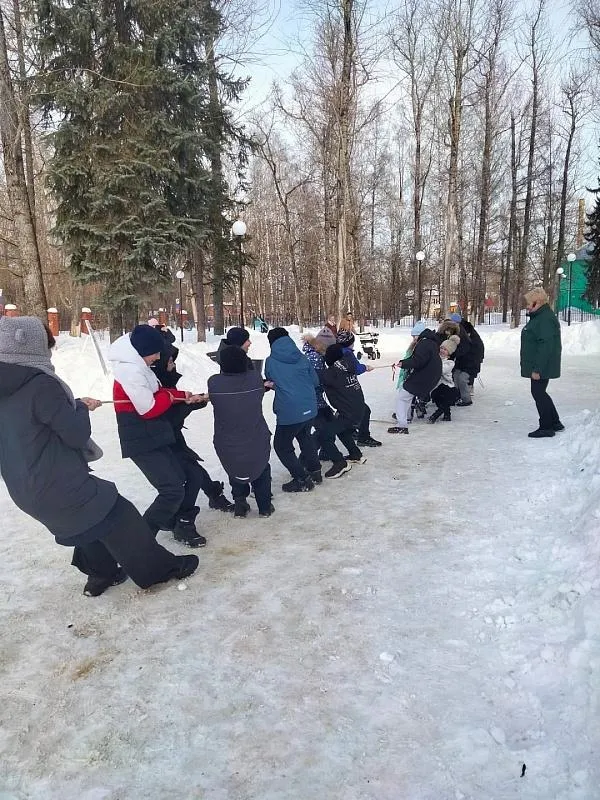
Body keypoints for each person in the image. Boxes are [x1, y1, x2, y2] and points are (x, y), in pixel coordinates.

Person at [0, 316, 198, 597]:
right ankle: (159, 570)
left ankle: (101, 575)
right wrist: (79, 410)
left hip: (24, 486)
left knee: (87, 520)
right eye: (47, 346)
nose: (49, 352)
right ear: (30, 346)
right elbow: (76, 434)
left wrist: (72, 406)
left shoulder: (7, 385)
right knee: (119, 513)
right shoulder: (40, 384)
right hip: (56, 483)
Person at [109, 324, 208, 547]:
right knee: (171, 489)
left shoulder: (139, 366)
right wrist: (175, 399)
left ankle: (175, 522)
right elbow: (149, 408)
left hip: (156, 435)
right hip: (142, 439)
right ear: (144, 350)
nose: (158, 357)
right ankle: (139, 544)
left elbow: (158, 392)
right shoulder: (131, 371)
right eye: (156, 352)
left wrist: (182, 396)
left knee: (189, 476)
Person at [151, 344, 234, 513]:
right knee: (190, 473)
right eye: (170, 362)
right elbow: (168, 417)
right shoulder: (155, 386)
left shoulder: (166, 381)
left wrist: (197, 401)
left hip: (173, 437)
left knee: (192, 465)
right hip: (161, 440)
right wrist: (190, 405)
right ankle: (179, 519)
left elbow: (177, 404)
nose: (173, 365)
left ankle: (214, 495)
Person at [208, 346, 274, 517]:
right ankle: (265, 507)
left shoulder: (214, 383)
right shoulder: (254, 379)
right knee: (261, 469)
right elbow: (255, 381)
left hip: (226, 441)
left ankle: (240, 504)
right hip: (256, 438)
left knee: (235, 467)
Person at [264, 327, 321, 492]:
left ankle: (302, 479)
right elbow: (315, 381)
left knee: (282, 446)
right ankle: (315, 471)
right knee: (305, 437)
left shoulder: (271, 361)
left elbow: (271, 380)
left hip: (290, 410)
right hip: (310, 407)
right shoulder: (302, 358)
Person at [320, 343, 371, 476]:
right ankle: (355, 454)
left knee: (324, 435)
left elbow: (316, 380)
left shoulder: (330, 373)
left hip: (348, 412)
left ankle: (339, 463)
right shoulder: (349, 365)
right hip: (359, 408)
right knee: (343, 430)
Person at [520, 287, 563, 438]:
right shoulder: (541, 317)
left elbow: (546, 345)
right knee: (540, 392)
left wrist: (537, 369)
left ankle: (546, 426)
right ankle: (555, 422)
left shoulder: (544, 319)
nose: (527, 306)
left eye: (529, 303)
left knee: (538, 392)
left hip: (542, 365)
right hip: (541, 363)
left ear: (537, 302)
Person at [388, 322, 442, 434]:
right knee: (405, 396)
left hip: (425, 376)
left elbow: (418, 361)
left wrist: (404, 363)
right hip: (430, 375)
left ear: (419, 334)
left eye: (414, 336)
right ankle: (404, 420)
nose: (413, 339)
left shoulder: (424, 344)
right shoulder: (431, 342)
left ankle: (402, 424)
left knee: (402, 397)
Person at [335, 330, 382, 447]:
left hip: (343, 389)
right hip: (348, 389)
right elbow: (354, 368)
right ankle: (363, 437)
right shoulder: (346, 354)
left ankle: (352, 432)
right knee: (364, 411)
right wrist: (365, 367)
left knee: (351, 411)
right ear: (349, 342)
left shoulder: (336, 351)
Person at [302, 326, 340, 461]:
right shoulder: (316, 358)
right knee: (324, 430)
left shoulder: (314, 353)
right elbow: (318, 381)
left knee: (329, 426)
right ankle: (305, 459)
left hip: (317, 400)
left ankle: (324, 452)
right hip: (313, 401)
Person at [437, 318, 473, 406]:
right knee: (455, 377)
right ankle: (455, 396)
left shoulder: (461, 336)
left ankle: (465, 399)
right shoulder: (450, 336)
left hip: (466, 363)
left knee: (460, 379)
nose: (446, 332)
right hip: (457, 361)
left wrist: (450, 355)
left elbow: (462, 350)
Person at [428, 335, 461, 423]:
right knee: (438, 400)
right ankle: (447, 415)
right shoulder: (436, 358)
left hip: (447, 386)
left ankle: (435, 415)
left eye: (445, 349)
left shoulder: (450, 362)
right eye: (441, 348)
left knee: (445, 402)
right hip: (437, 386)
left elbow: (441, 370)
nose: (442, 350)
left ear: (449, 353)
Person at [452, 314, 485, 393]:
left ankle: (468, 387)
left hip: (473, 355)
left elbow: (466, 347)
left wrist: (455, 353)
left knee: (467, 370)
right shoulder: (461, 328)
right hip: (469, 355)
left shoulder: (464, 330)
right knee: (460, 370)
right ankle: (463, 388)